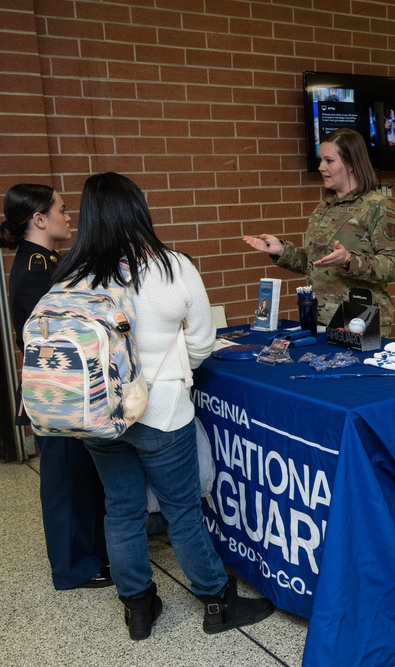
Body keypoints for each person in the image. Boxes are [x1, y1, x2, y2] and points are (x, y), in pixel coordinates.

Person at [56, 172, 274, 640]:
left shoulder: (72, 274)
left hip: (100, 415)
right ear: (139, 209)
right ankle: (217, 601)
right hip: (162, 409)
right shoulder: (172, 267)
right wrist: (173, 369)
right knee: (182, 510)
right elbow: (201, 343)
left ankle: (138, 606)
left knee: (122, 510)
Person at [0, 183, 112, 592]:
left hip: (65, 391)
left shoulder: (44, 263)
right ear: (38, 219)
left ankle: (93, 554)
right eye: (61, 209)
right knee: (65, 481)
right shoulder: (35, 271)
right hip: (56, 394)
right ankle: (74, 567)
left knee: (80, 476)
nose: (68, 216)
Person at [243, 128, 395, 336]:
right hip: (320, 319)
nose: (321, 167)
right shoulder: (323, 207)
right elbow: (314, 263)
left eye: (329, 161)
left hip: (360, 320)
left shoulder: (377, 206)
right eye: (320, 160)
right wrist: (281, 251)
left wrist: (349, 260)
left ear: (352, 164)